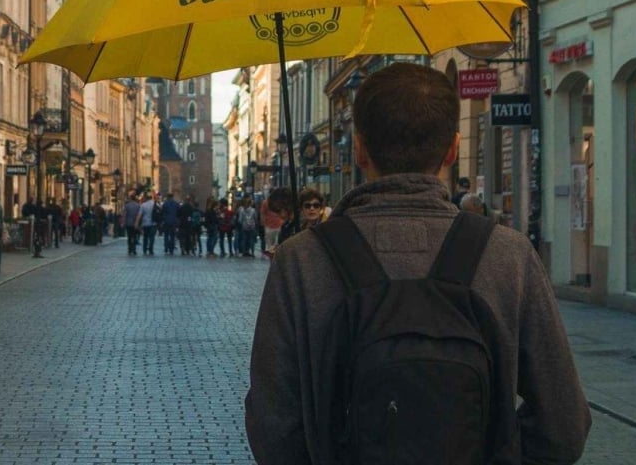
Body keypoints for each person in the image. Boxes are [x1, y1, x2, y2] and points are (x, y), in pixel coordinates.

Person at [245, 62, 590, 464]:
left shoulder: (301, 260)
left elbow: (273, 423)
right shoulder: (506, 255)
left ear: (358, 149)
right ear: (453, 148)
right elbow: (563, 424)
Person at [161, 190, 181, 255]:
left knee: (166, 235)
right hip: (174, 222)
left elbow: (162, 213)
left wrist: (163, 220)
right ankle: (171, 249)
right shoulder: (176, 204)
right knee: (172, 235)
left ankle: (166, 248)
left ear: (167, 197)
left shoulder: (165, 203)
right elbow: (178, 213)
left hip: (166, 221)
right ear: (172, 197)